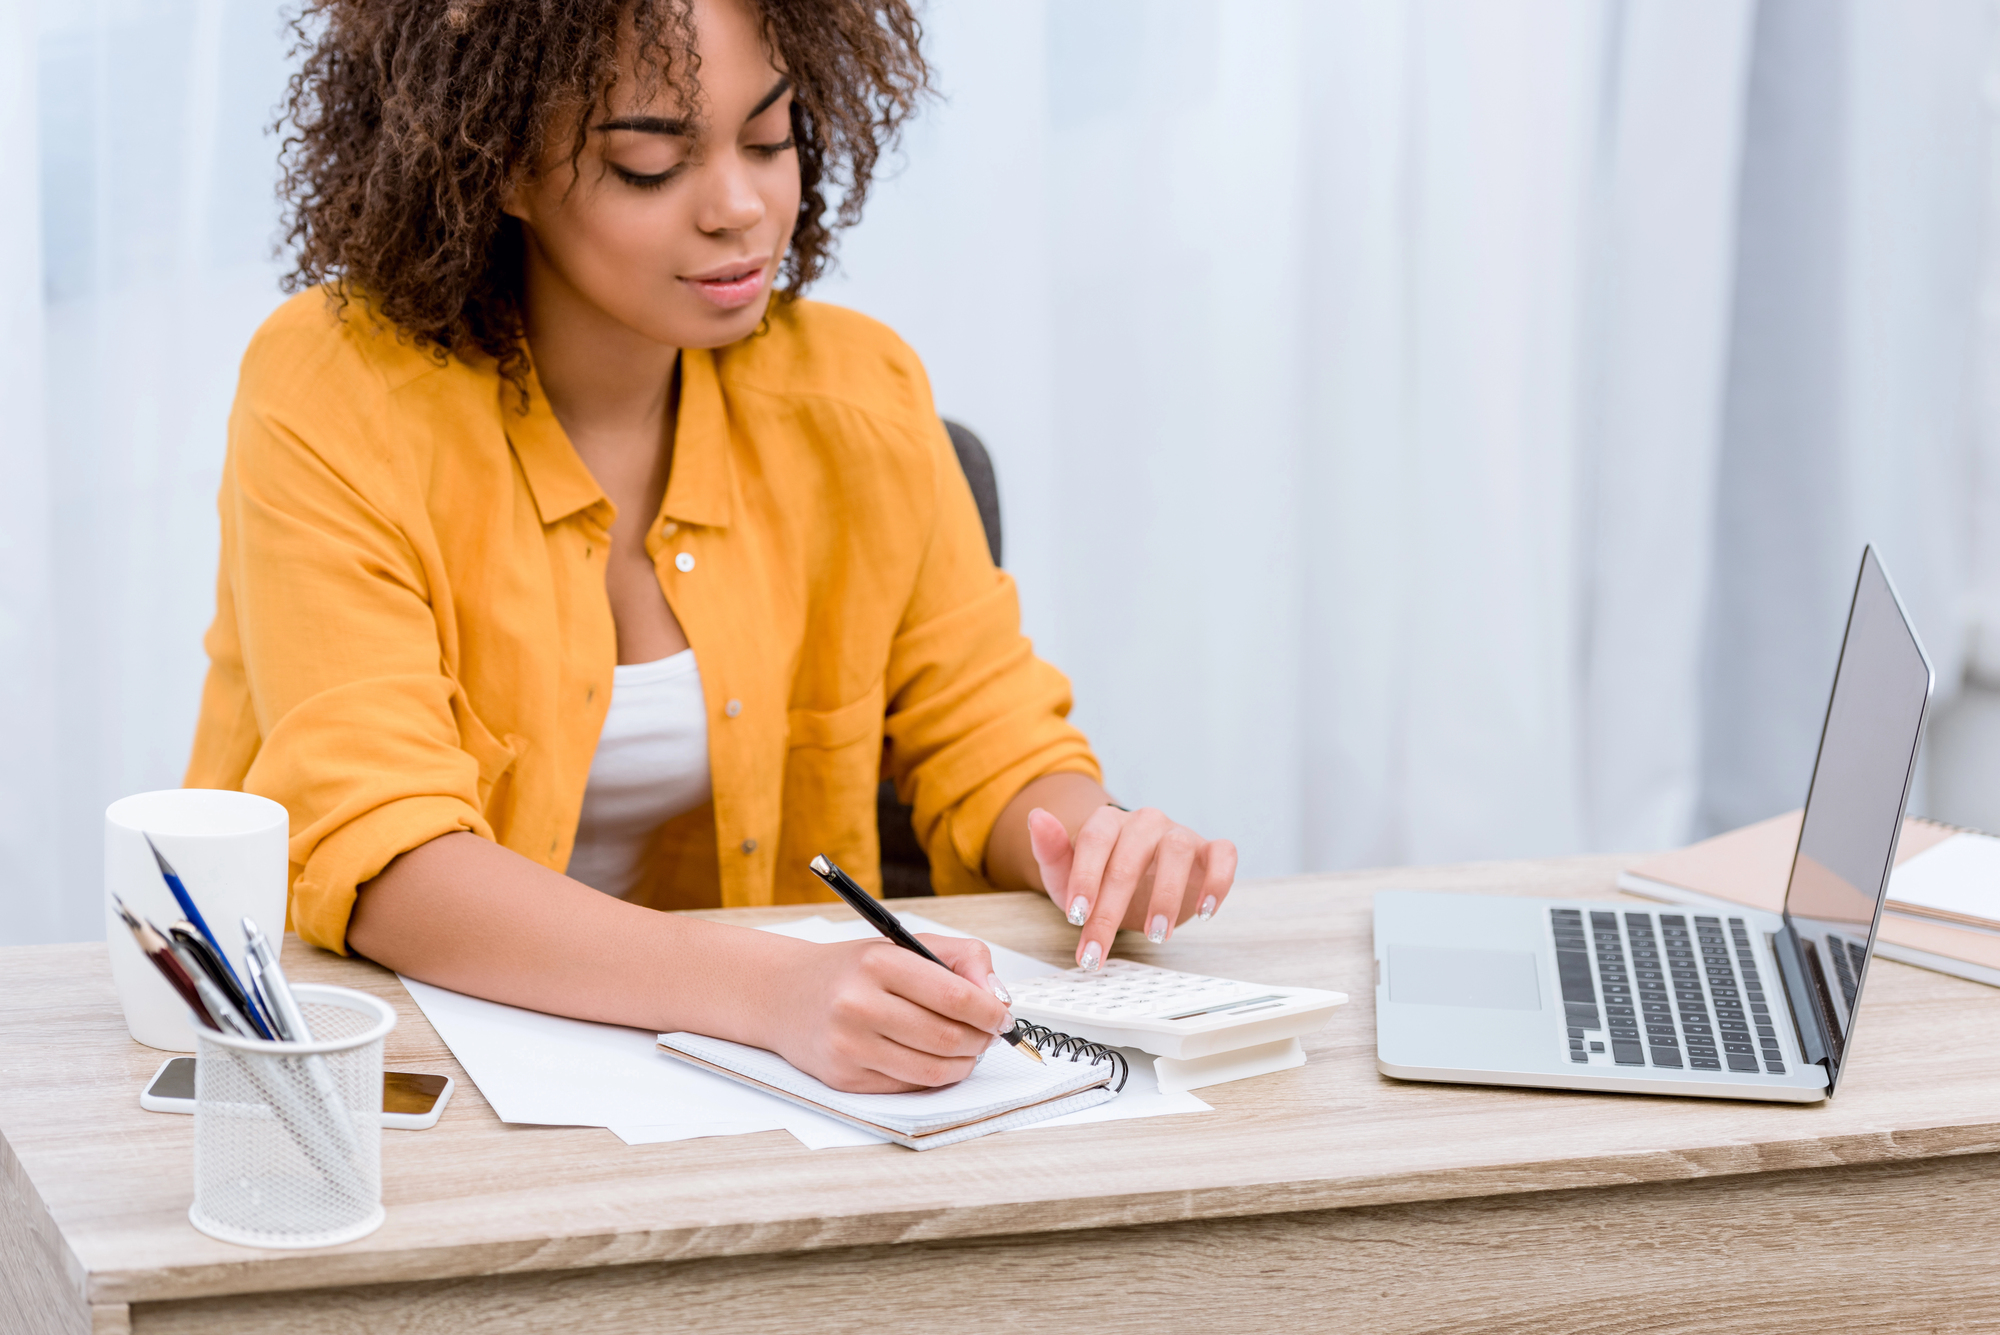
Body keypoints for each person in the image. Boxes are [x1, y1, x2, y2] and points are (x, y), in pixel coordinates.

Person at [187, 0, 1236, 1093]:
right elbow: (387, 855)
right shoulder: (335, 391)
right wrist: (764, 988)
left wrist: (1096, 839)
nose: (741, 207)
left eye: (771, 139)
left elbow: (992, 740)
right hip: (365, 1069)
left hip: (725, 1084)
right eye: (650, 160)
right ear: (495, 162)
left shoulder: (857, 398)